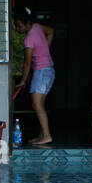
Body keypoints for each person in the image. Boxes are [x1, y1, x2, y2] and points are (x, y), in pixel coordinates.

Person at [14, 10, 55, 147]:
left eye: (19, 26)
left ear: (27, 23)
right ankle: (42, 135)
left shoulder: (28, 39)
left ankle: (47, 135)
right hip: (48, 70)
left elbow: (27, 63)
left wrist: (23, 81)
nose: (17, 28)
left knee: (37, 105)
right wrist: (44, 50)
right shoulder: (37, 27)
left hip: (42, 72)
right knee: (39, 105)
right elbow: (51, 32)